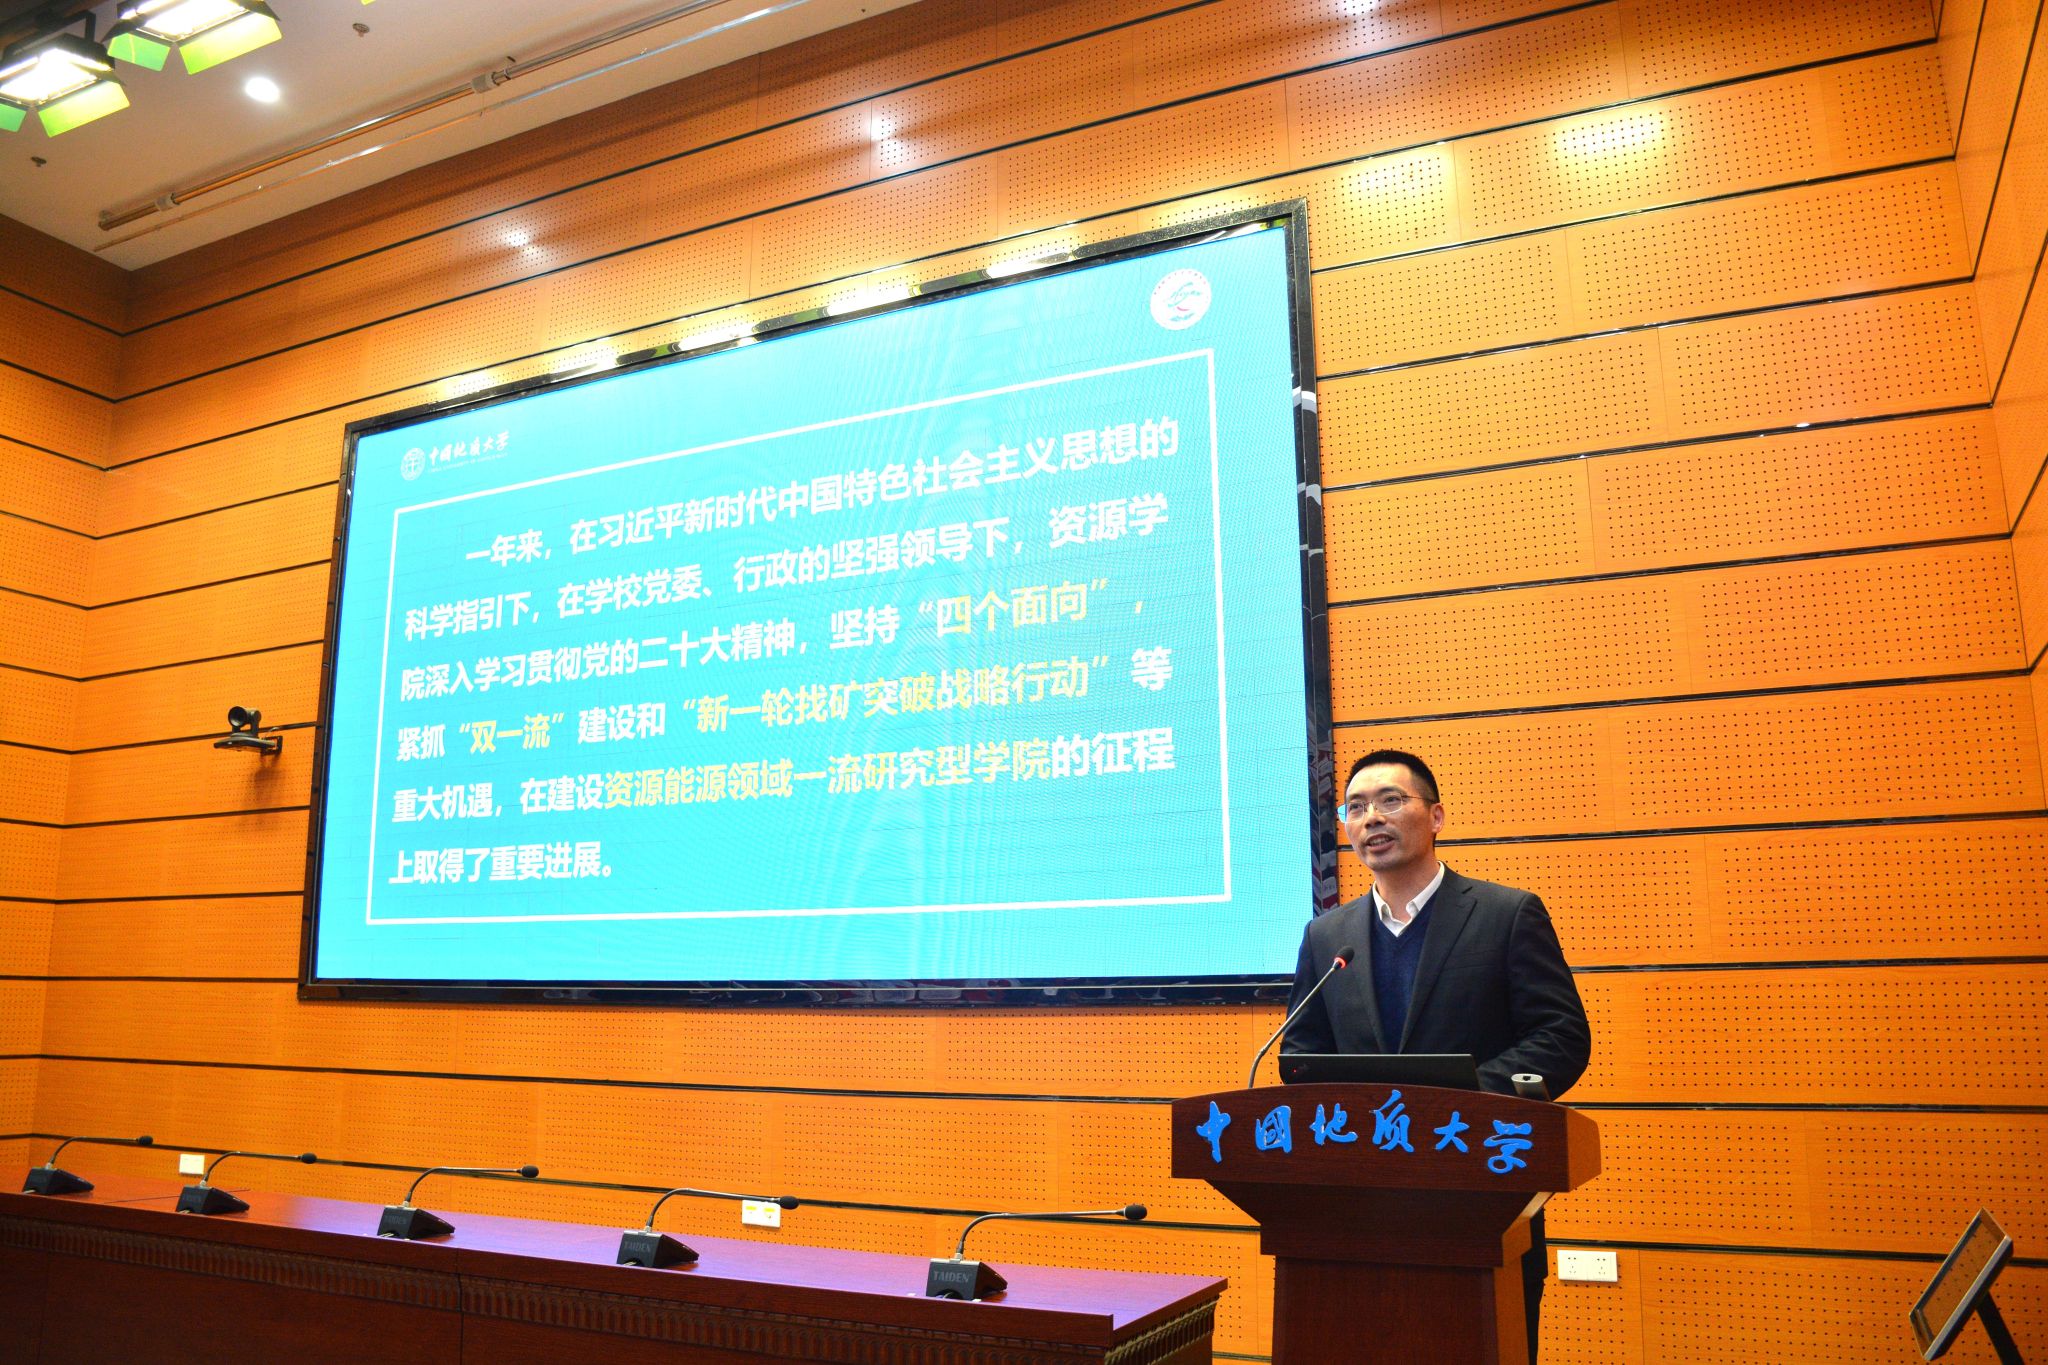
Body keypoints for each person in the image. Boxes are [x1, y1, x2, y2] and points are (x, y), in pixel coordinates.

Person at [1281, 749, 1590, 1363]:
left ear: (1437, 816)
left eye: (1390, 801)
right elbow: (1301, 1051)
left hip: (1479, 1191)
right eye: (1355, 808)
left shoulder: (1505, 914)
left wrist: (1461, 1096)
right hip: (1357, 1200)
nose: (1371, 818)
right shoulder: (1327, 935)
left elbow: (1560, 1036)